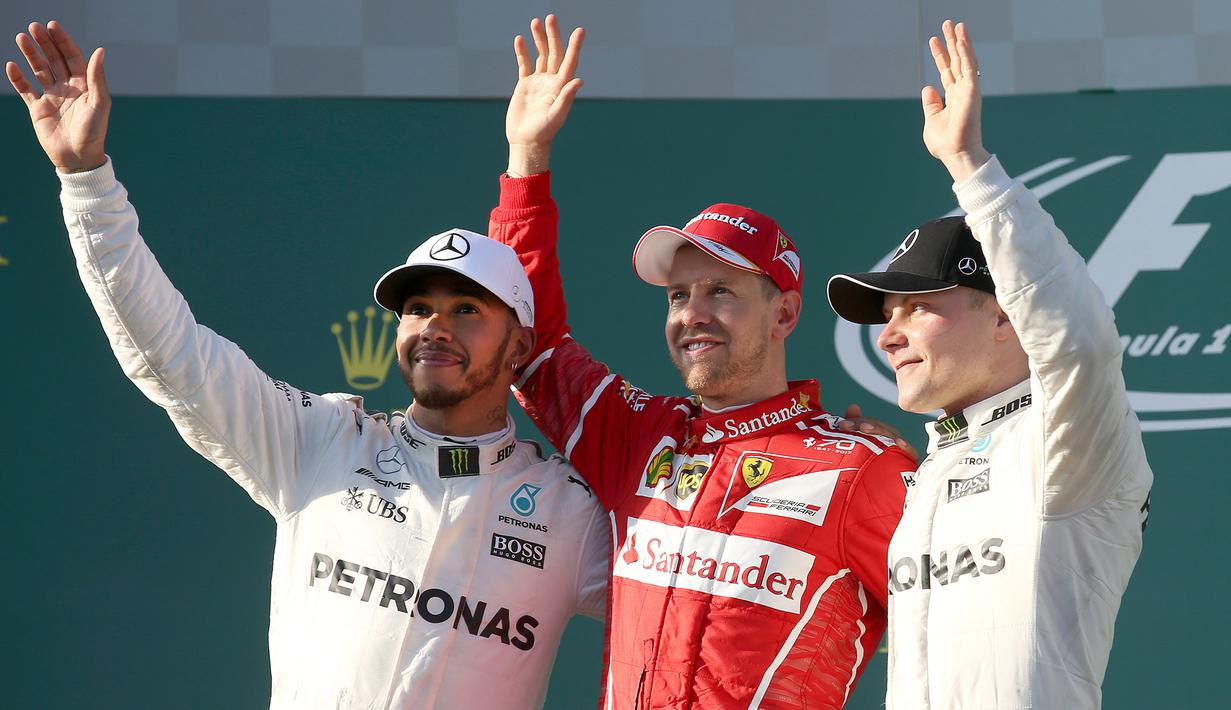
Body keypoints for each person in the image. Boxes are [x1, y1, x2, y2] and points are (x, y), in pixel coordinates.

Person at [7, 20, 608, 710]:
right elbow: (167, 351)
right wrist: (86, 181)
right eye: (416, 308)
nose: (434, 327)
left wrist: (528, 156)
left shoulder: (568, 513)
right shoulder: (317, 441)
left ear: (522, 349)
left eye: (466, 310)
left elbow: (697, 597)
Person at [490, 16, 916, 709]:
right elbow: (530, 343)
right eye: (679, 294)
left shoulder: (860, 467)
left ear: (783, 314)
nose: (692, 313)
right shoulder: (634, 433)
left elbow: (967, 617)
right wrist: (525, 160)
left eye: (721, 291)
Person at [826, 21, 1153, 709]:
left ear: (1004, 316)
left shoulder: (1065, 441)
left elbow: (1077, 339)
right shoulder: (931, 470)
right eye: (884, 316)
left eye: (915, 308)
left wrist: (969, 167)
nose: (888, 337)